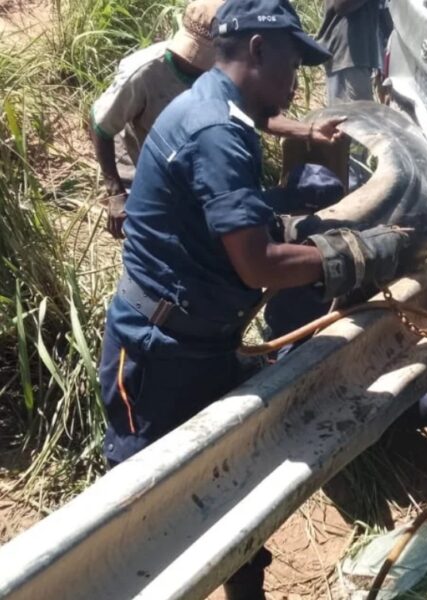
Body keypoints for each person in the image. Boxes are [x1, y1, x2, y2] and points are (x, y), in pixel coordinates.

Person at [96, 0, 408, 596]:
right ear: (259, 51)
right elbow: (257, 263)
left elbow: (223, 220)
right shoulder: (216, 131)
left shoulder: (220, 107)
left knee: (228, 481)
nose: (295, 85)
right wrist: (353, 255)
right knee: (143, 511)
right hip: (155, 355)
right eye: (291, 67)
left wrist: (287, 205)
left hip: (196, 341)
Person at [90, 0, 346, 239]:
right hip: (143, 177)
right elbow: (101, 124)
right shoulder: (144, 73)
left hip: (193, 176)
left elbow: (255, 116)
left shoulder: (220, 83)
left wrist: (309, 131)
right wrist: (115, 194)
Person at [316, 0, 383, 102]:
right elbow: (341, 4)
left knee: (358, 114)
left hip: (356, 55)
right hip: (349, 54)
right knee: (358, 115)